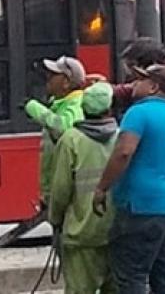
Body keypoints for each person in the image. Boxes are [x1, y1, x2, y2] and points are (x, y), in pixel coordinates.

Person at [93, 64, 165, 294]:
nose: (133, 84)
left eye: (140, 80)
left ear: (153, 87)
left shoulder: (138, 112)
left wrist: (102, 188)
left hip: (143, 205)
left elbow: (123, 152)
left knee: (131, 274)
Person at [48, 81, 117, 294]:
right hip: (116, 231)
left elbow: (60, 190)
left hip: (81, 234)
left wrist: (55, 220)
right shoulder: (123, 137)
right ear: (109, 109)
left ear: (84, 110)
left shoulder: (71, 140)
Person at [26, 56, 86, 203]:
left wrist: (34, 108)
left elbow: (62, 128)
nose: (48, 78)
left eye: (53, 75)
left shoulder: (76, 104)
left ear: (66, 82)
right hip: (54, 192)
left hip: (67, 197)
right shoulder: (61, 104)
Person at [110, 38, 165, 119]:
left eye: (131, 66)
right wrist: (103, 88)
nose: (129, 72)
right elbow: (125, 90)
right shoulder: (153, 83)